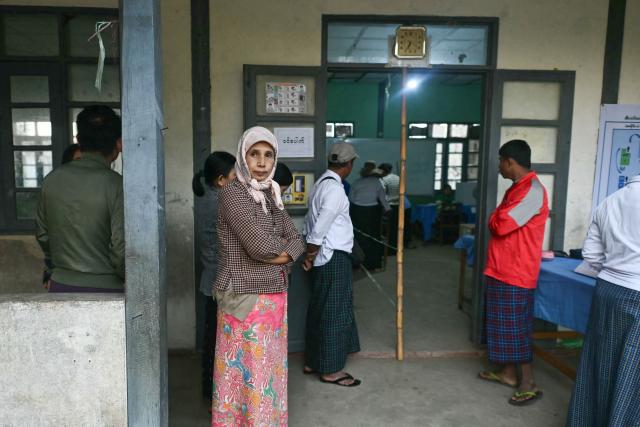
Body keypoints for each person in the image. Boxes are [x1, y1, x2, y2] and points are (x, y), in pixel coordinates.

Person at [211, 126, 304, 426]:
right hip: (244, 297)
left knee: (269, 373)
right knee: (242, 374)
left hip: (274, 297)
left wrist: (285, 252)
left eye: (268, 155)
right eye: (254, 154)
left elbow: (297, 239)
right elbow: (259, 247)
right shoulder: (232, 194)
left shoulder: (271, 194)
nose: (262, 162)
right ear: (243, 156)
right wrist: (284, 252)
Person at [478, 139, 549, 406]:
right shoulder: (516, 189)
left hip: (516, 272)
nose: (498, 167)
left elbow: (500, 224)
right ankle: (508, 374)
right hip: (501, 268)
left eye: (500, 161)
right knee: (501, 326)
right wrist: (497, 216)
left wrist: (495, 217)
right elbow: (501, 219)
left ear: (510, 161)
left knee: (516, 329)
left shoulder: (532, 190)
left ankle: (528, 382)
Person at [566, 174, 640, 426]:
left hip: (607, 290)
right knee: (632, 379)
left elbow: (592, 256)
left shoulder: (610, 201)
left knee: (600, 366)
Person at [36, 105, 124, 292]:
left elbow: (43, 235)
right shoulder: (116, 185)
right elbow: (120, 249)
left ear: (78, 140)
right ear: (119, 144)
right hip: (106, 289)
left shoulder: (51, 180)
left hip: (61, 284)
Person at [302, 142, 362, 387]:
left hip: (322, 256)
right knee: (334, 312)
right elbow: (323, 222)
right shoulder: (336, 190)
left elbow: (309, 219)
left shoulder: (320, 184)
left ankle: (313, 360)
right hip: (332, 256)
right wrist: (310, 251)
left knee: (319, 308)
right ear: (349, 164)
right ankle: (330, 369)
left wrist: (311, 253)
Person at [192, 151, 236, 402]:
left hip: (213, 279)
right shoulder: (221, 203)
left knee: (213, 339)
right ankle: (215, 397)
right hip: (223, 282)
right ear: (221, 180)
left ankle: (211, 394)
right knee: (219, 343)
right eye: (234, 176)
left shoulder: (209, 197)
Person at [349, 161, 391, 270]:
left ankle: (357, 262)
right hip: (373, 212)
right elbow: (383, 199)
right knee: (374, 237)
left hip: (357, 211)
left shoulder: (357, 182)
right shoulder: (377, 182)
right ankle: (372, 263)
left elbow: (351, 199)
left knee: (359, 237)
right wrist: (388, 209)